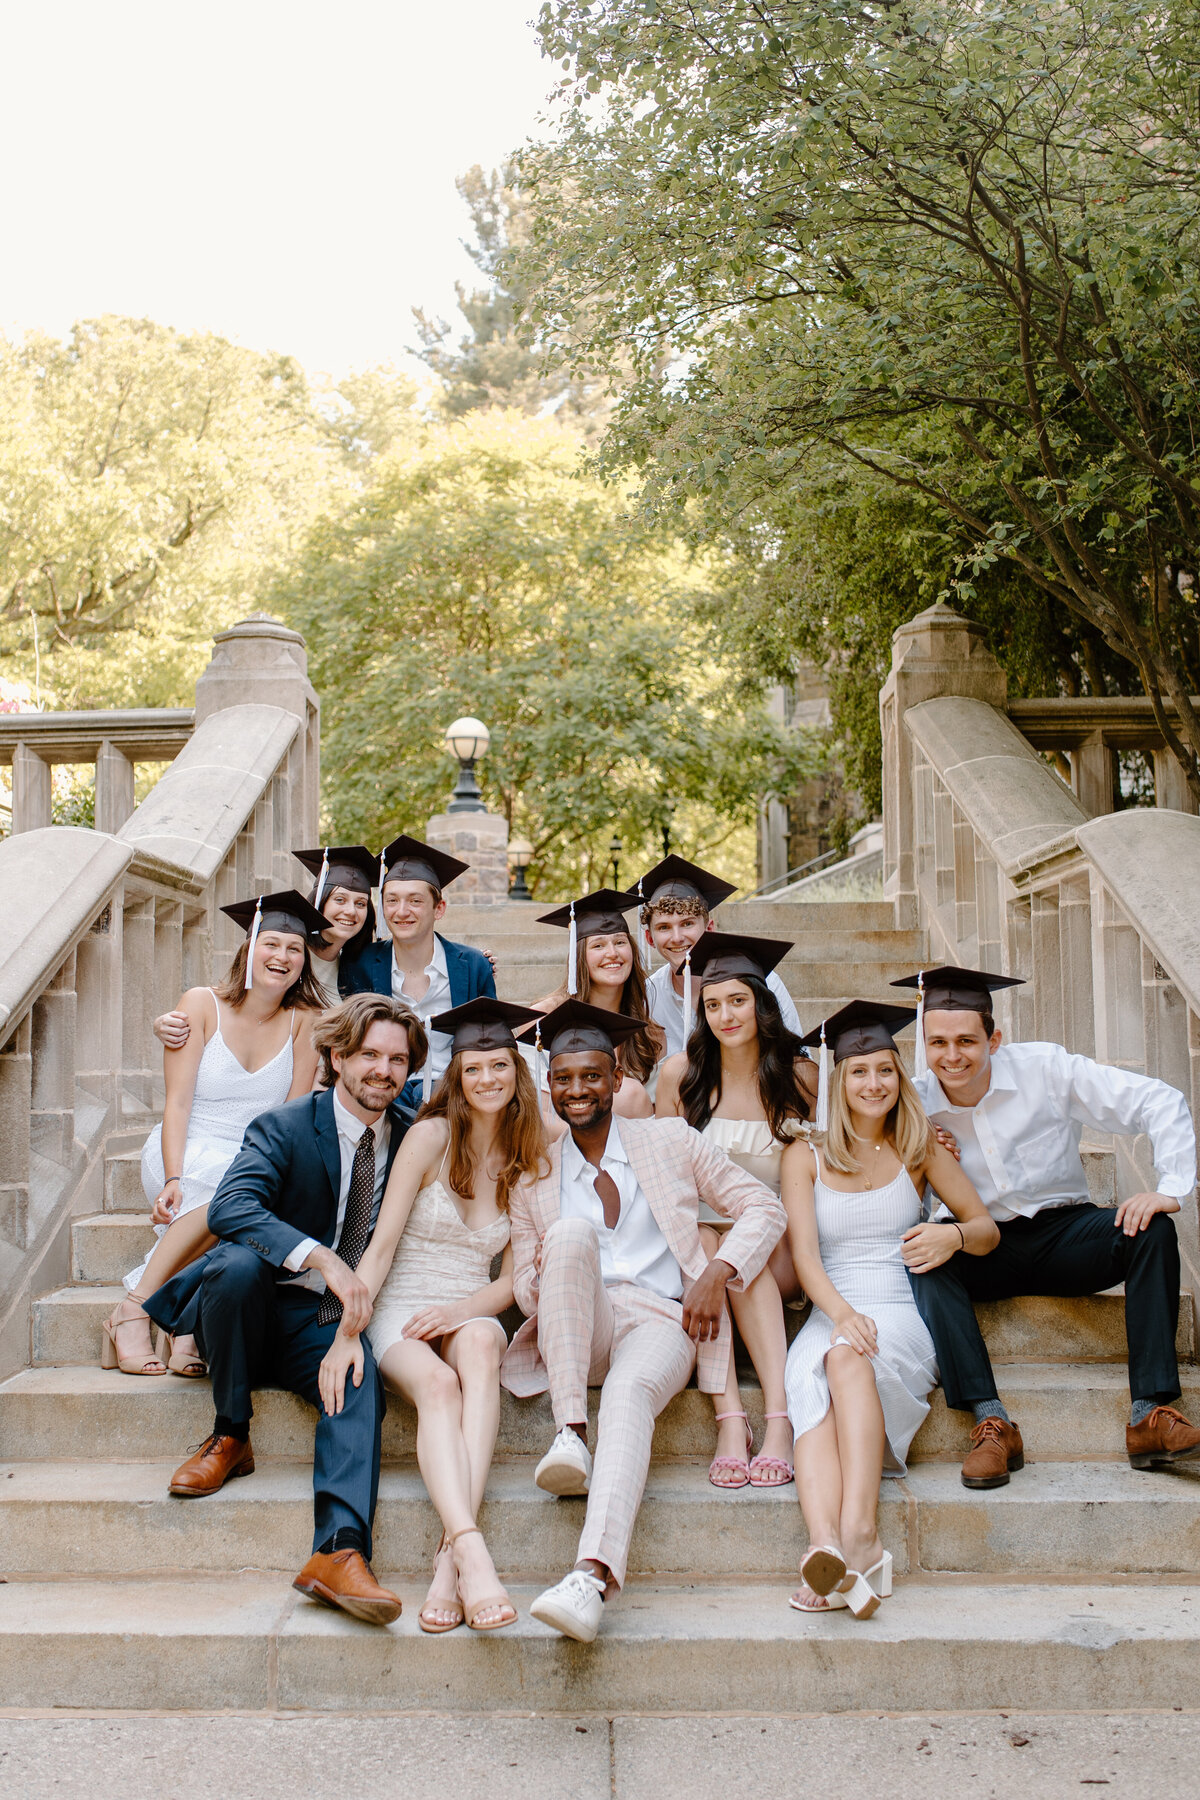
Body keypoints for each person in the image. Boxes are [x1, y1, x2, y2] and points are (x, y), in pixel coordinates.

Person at [502, 998, 786, 1643]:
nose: (578, 1090)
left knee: (629, 1395)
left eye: (591, 1076)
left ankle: (590, 1578)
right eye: (565, 1079)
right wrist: (549, 1273)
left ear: (616, 1080)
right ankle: (570, 1430)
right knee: (570, 1235)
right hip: (581, 1323)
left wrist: (719, 1271)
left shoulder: (669, 1140)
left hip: (661, 1319)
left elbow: (763, 1206)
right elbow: (523, 1289)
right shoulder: (533, 1178)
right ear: (549, 1086)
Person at [145, 993, 426, 1625]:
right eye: (369, 1055)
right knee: (237, 1264)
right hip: (248, 1311)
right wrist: (322, 1258)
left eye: (398, 1060)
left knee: (359, 1381)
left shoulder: (414, 1136)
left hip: (324, 1324)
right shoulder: (287, 1124)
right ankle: (230, 1434)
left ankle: (339, 1552)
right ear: (336, 1055)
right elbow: (229, 1208)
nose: (383, 1070)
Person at [892, 963, 1200, 1486]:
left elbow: (1158, 1099)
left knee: (1152, 1230)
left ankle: (1149, 1414)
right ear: (923, 1043)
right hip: (984, 1245)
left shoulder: (1046, 1070)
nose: (952, 1056)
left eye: (967, 1040)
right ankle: (991, 1421)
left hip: (1066, 1236)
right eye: (938, 1042)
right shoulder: (914, 1103)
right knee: (924, 1255)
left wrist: (1169, 1189)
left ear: (996, 1038)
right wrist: (917, 1168)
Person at [319, 998, 548, 1633]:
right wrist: (347, 1334)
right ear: (457, 1076)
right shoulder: (429, 1136)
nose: (487, 1081)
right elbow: (382, 1245)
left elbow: (511, 1281)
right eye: (474, 1070)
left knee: (479, 1349)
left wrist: (458, 1311)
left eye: (500, 1067)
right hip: (403, 1309)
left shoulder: (529, 1153)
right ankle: (471, 1550)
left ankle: (451, 1559)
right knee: (441, 1384)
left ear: (517, 1072)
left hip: (469, 1305)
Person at [784, 1001, 997, 1617]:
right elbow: (804, 1257)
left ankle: (858, 1535)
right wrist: (841, 1314)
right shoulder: (807, 1154)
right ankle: (827, 1547)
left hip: (903, 1307)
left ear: (898, 1079)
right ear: (839, 1082)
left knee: (845, 1363)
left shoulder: (920, 1148)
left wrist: (952, 1236)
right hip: (833, 1303)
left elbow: (985, 1229)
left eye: (884, 1071)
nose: (872, 1084)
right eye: (858, 1073)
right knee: (814, 1382)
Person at [102, 891, 326, 1379]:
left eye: (294, 949)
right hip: (187, 1147)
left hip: (254, 1155)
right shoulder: (200, 1004)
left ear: (304, 960)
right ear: (249, 948)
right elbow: (177, 1103)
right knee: (227, 1193)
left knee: (243, 1193)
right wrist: (173, 1175)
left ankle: (164, 1318)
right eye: (271, 944)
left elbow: (290, 1116)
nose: (282, 957)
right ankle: (141, 1311)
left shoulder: (304, 1021)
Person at [656, 931, 817, 1489]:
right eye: (712, 1004)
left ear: (761, 1003)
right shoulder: (682, 1076)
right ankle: (730, 1419)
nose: (725, 1015)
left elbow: (845, 1152)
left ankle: (778, 1416)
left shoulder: (800, 1077)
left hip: (781, 1247)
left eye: (738, 1001)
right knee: (705, 1239)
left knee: (733, 1250)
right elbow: (666, 1182)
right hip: (701, 1246)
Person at [149, 845, 380, 1046]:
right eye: (339, 899)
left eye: (360, 903)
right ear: (319, 900)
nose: (350, 911)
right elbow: (233, 999)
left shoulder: (358, 969)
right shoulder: (284, 958)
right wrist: (166, 1023)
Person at [342, 835, 497, 1103]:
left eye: (415, 901)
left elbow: (488, 1041)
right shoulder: (360, 964)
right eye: (391, 901)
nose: (401, 911)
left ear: (439, 909)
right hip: (384, 1090)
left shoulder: (472, 965)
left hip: (455, 1094)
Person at [636, 855, 803, 1057]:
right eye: (664, 927)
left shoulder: (763, 981)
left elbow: (797, 1058)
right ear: (649, 938)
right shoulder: (648, 998)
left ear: (710, 928)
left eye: (687, 923)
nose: (677, 937)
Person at [534, 888, 664, 1117]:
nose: (612, 953)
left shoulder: (650, 1036)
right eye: (598, 945)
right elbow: (535, 1109)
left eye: (620, 942)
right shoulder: (544, 1018)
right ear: (579, 956)